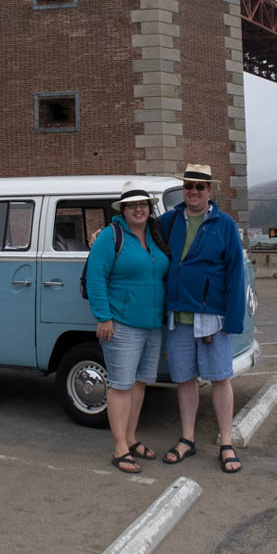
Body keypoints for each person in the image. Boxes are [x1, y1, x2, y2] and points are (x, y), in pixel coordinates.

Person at [158, 164, 245, 474]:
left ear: (210, 190)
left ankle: (226, 442)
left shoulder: (225, 225)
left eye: (200, 186)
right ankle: (187, 438)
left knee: (220, 377)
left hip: (212, 316)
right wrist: (109, 228)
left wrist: (234, 320)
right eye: (189, 186)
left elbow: (236, 273)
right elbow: (137, 228)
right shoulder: (169, 221)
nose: (194, 191)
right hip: (178, 315)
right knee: (184, 378)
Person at [86, 182, 170, 475]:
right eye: (133, 205)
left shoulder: (155, 235)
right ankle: (120, 447)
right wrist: (103, 317)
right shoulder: (110, 237)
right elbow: (96, 277)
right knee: (121, 386)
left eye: (144, 204)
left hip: (152, 325)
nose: (139, 209)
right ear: (122, 209)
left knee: (139, 384)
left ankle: (132, 438)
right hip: (121, 324)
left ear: (149, 208)